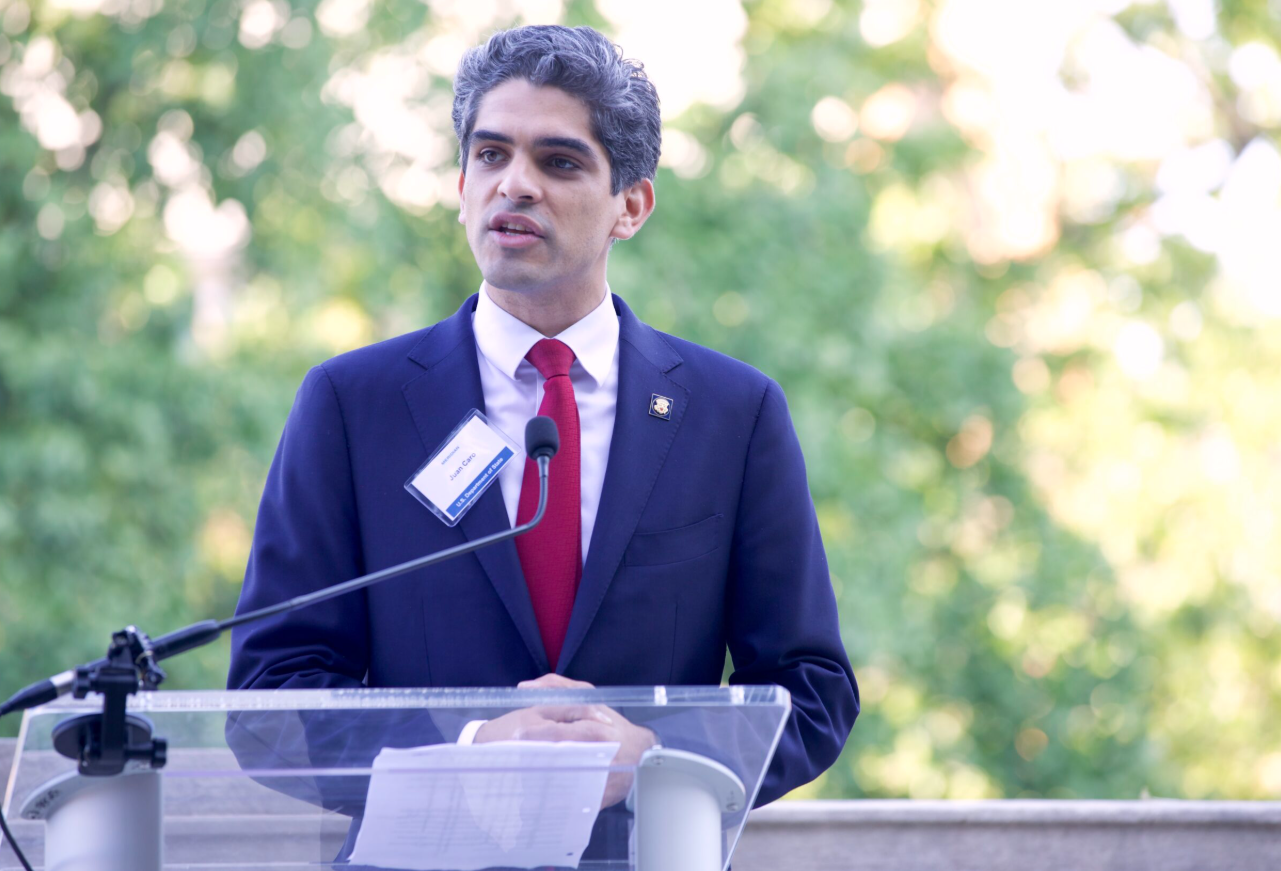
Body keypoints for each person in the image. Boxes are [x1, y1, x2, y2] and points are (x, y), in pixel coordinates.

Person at [227, 23, 858, 820]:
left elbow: (811, 691)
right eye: (491, 155)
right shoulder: (352, 404)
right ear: (462, 184)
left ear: (631, 205)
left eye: (558, 162)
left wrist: (658, 760)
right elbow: (271, 699)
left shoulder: (733, 413)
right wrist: (464, 751)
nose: (515, 185)